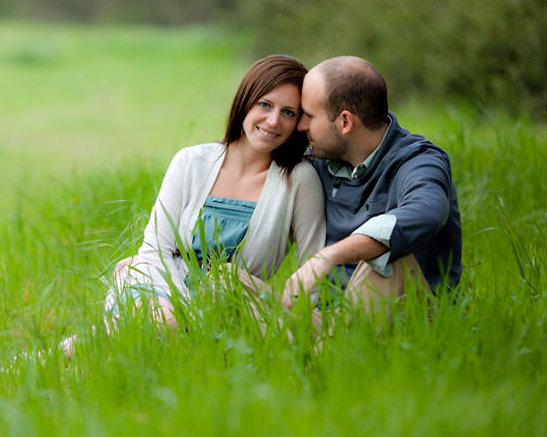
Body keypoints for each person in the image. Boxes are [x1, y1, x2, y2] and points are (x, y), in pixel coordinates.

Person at [61, 54, 326, 357]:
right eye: (264, 105)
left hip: (230, 304)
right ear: (245, 101)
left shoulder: (300, 181)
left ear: (298, 123)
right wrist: (175, 310)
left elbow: (313, 268)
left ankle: (49, 360)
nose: (273, 121)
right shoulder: (191, 161)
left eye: (288, 112)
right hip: (157, 285)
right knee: (163, 324)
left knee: (144, 340)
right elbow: (154, 251)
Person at [282, 55, 462, 322]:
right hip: (325, 315)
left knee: (388, 259)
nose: (300, 126)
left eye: (309, 116)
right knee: (226, 277)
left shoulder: (418, 160)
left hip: (405, 319)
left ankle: (329, 348)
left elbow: (427, 211)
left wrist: (328, 257)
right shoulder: (318, 160)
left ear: (345, 122)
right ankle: (316, 344)